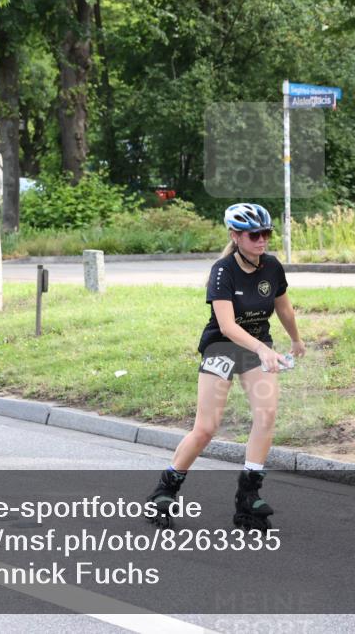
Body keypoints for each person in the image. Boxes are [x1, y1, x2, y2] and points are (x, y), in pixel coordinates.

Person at [147, 202, 306, 530]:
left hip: (256, 348)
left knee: (266, 415)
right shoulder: (222, 271)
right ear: (235, 236)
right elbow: (228, 325)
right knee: (206, 427)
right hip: (223, 346)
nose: (262, 240)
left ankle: (248, 497)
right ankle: (165, 490)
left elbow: (284, 309)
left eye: (266, 233)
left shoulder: (272, 267)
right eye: (254, 235)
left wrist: (296, 340)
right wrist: (263, 350)